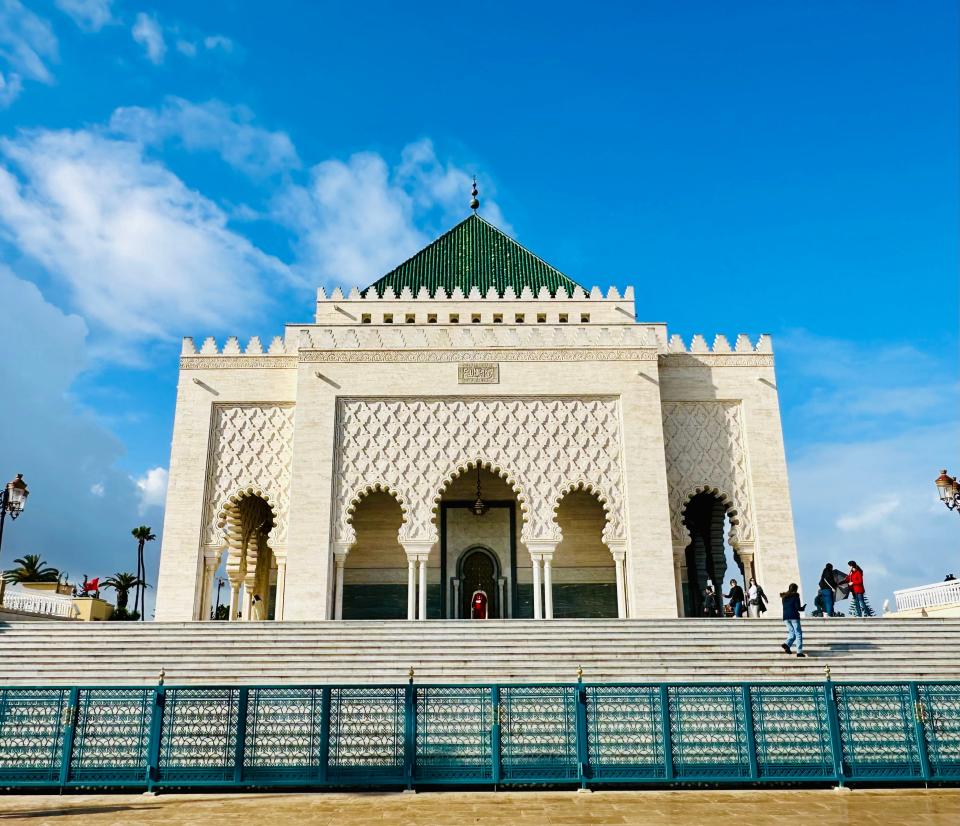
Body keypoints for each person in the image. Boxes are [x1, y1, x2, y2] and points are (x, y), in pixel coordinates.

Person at [780, 583, 807, 657]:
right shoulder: (796, 596)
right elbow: (798, 608)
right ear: (796, 589)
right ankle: (799, 652)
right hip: (794, 616)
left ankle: (787, 644)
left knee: (792, 633)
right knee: (798, 634)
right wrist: (803, 608)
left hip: (785, 617)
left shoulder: (784, 597)